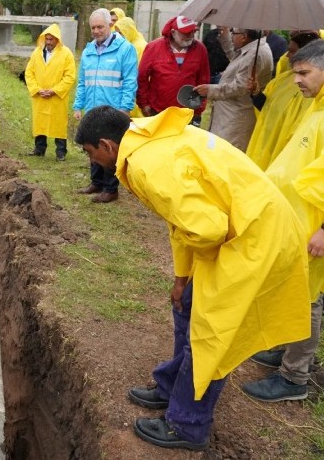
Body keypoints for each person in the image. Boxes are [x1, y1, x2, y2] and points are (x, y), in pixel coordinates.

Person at [75, 105, 309, 451]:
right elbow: (182, 222)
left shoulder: (147, 167)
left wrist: (196, 272)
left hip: (254, 238)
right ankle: (171, 385)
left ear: (107, 145)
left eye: (89, 151)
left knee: (211, 332)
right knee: (186, 304)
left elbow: (205, 228)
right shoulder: (145, 138)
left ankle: (187, 425)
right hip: (238, 225)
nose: (91, 160)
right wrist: (182, 277)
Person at [242, 39, 324, 402]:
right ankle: (286, 349)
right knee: (293, 291)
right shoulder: (315, 107)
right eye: (296, 74)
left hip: (314, 228)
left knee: (309, 298)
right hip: (297, 219)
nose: (298, 81)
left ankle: (294, 377)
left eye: (305, 73)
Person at [72, 8, 138, 203]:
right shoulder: (88, 51)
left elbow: (130, 81)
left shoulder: (125, 49)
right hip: (92, 109)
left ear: (110, 25)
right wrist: (78, 105)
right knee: (93, 147)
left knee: (110, 150)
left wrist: (124, 109)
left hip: (113, 110)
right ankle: (96, 182)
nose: (96, 31)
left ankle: (111, 189)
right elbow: (83, 81)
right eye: (93, 28)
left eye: (100, 27)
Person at [246, 32, 319, 170]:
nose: (287, 56)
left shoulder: (314, 90)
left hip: (287, 154)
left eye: (292, 51)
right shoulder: (282, 79)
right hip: (266, 145)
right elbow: (266, 109)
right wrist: (256, 93)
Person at [193, 28, 272, 151]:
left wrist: (210, 90)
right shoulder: (251, 49)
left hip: (236, 117)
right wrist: (224, 36)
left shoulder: (256, 54)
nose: (231, 36)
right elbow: (234, 56)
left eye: (233, 33)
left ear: (244, 37)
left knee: (226, 153)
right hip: (229, 114)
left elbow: (241, 87)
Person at [137, 16, 210, 126]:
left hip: (187, 112)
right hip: (158, 111)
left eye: (193, 32)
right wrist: (144, 104)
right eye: (185, 33)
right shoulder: (154, 47)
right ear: (173, 32)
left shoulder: (200, 49)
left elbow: (204, 80)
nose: (190, 35)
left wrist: (199, 108)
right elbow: (141, 78)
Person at [24, 24, 76, 160]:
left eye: (51, 39)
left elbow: (70, 76)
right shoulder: (37, 53)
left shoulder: (66, 54)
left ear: (57, 40)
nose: (48, 42)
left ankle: (61, 152)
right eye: (46, 39)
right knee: (40, 122)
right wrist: (36, 89)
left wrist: (55, 90)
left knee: (58, 123)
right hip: (40, 96)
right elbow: (29, 72)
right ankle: (39, 149)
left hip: (57, 97)